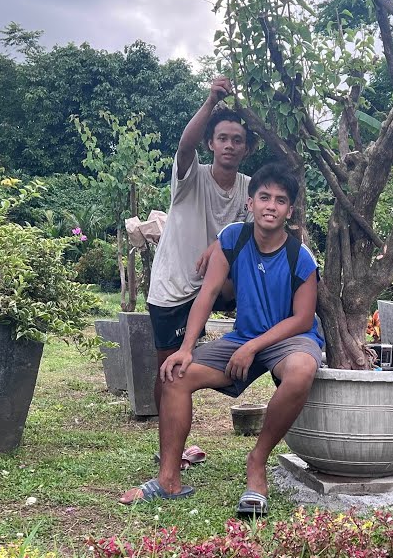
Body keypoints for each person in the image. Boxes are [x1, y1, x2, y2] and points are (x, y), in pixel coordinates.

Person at [120, 162, 323, 518]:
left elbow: (302, 319)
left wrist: (253, 347)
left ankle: (257, 464)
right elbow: (208, 292)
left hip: (288, 338)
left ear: (289, 211)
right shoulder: (233, 238)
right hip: (242, 336)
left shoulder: (300, 256)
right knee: (174, 375)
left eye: (280, 200)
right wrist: (185, 349)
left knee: (302, 369)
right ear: (250, 203)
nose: (270, 206)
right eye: (264, 197)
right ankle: (168, 479)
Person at [146, 75, 257, 412]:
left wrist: (223, 240)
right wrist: (211, 101)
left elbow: (257, 233)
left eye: (237, 140)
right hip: (174, 286)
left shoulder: (251, 189)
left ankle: (257, 351)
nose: (229, 145)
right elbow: (184, 147)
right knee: (170, 369)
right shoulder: (190, 178)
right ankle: (166, 437)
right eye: (222, 138)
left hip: (215, 285)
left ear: (247, 148)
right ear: (210, 143)